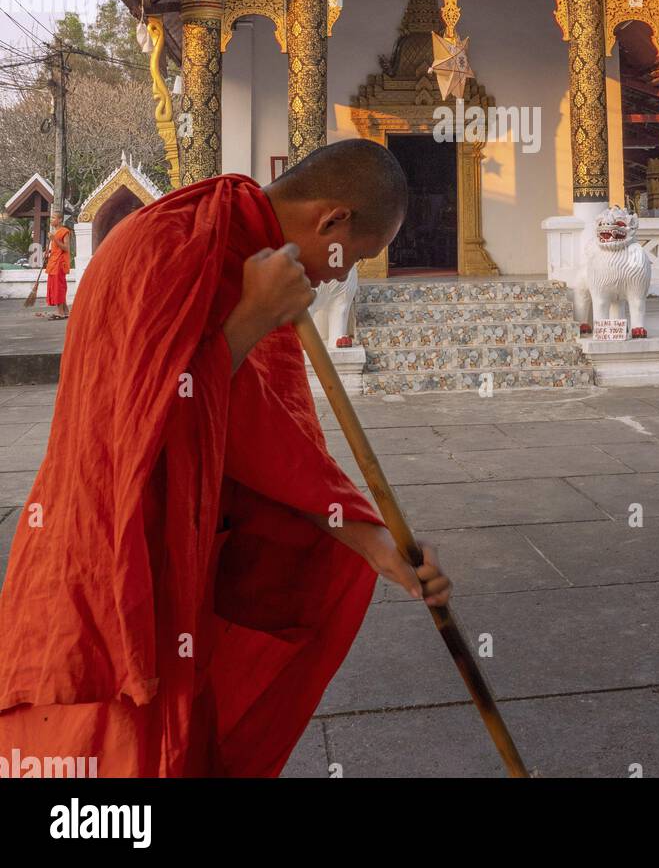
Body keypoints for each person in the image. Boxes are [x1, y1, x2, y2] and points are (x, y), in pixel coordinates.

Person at [0, 139, 451, 777]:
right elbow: (147, 422)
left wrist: (379, 544)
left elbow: (259, 434)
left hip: (189, 530)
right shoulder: (175, 245)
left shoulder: (243, 248)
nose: (341, 276)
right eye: (353, 257)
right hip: (115, 532)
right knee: (106, 750)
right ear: (331, 221)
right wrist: (251, 316)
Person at [39, 211, 71, 320]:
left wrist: (54, 239)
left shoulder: (64, 231)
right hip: (53, 262)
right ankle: (65, 311)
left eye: (53, 217)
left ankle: (60, 313)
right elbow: (56, 248)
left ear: (60, 219)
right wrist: (48, 252)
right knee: (55, 287)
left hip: (60, 264)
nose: (51, 220)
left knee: (59, 288)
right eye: (51, 218)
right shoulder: (55, 232)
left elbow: (66, 248)